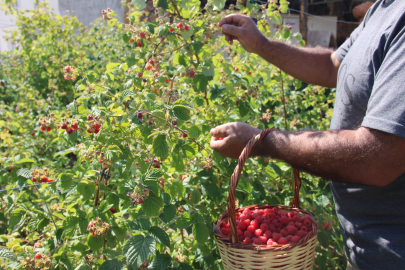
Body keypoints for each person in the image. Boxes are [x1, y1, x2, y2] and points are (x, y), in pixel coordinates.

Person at [209, 0, 405, 269]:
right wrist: (260, 44)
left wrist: (263, 141)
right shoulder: (378, 14)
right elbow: (331, 65)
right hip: (366, 249)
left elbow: (379, 157)